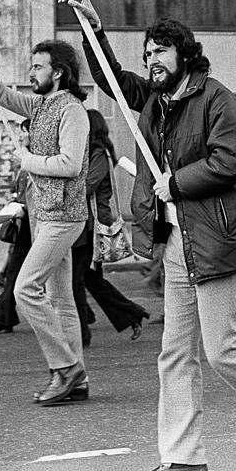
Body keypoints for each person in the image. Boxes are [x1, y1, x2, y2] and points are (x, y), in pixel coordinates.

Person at [63, 0, 236, 471]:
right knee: (175, 353)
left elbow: (234, 159)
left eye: (159, 52)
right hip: (176, 243)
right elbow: (110, 79)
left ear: (184, 54)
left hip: (215, 240)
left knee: (222, 351)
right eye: (147, 54)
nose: (151, 61)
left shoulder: (217, 100)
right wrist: (91, 27)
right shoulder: (156, 98)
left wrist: (175, 184)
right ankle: (183, 458)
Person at [0, 38, 91, 406]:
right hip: (43, 214)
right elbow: (2, 96)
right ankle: (78, 380)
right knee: (61, 300)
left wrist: (27, 159)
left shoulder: (73, 111)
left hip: (63, 216)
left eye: (38, 67)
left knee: (24, 290)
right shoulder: (39, 105)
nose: (31, 72)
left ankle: (66, 368)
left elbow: (69, 164)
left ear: (59, 72)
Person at [74, 108, 150, 346]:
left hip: (90, 226)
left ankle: (80, 333)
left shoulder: (98, 153)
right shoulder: (94, 152)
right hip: (87, 224)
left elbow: (89, 185)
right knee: (91, 280)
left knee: (76, 279)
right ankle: (131, 314)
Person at [0, 121, 32, 336]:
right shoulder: (25, 160)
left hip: (38, 225)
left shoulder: (38, 160)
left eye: (25, 132)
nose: (21, 136)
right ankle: (3, 317)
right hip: (26, 226)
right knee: (14, 271)